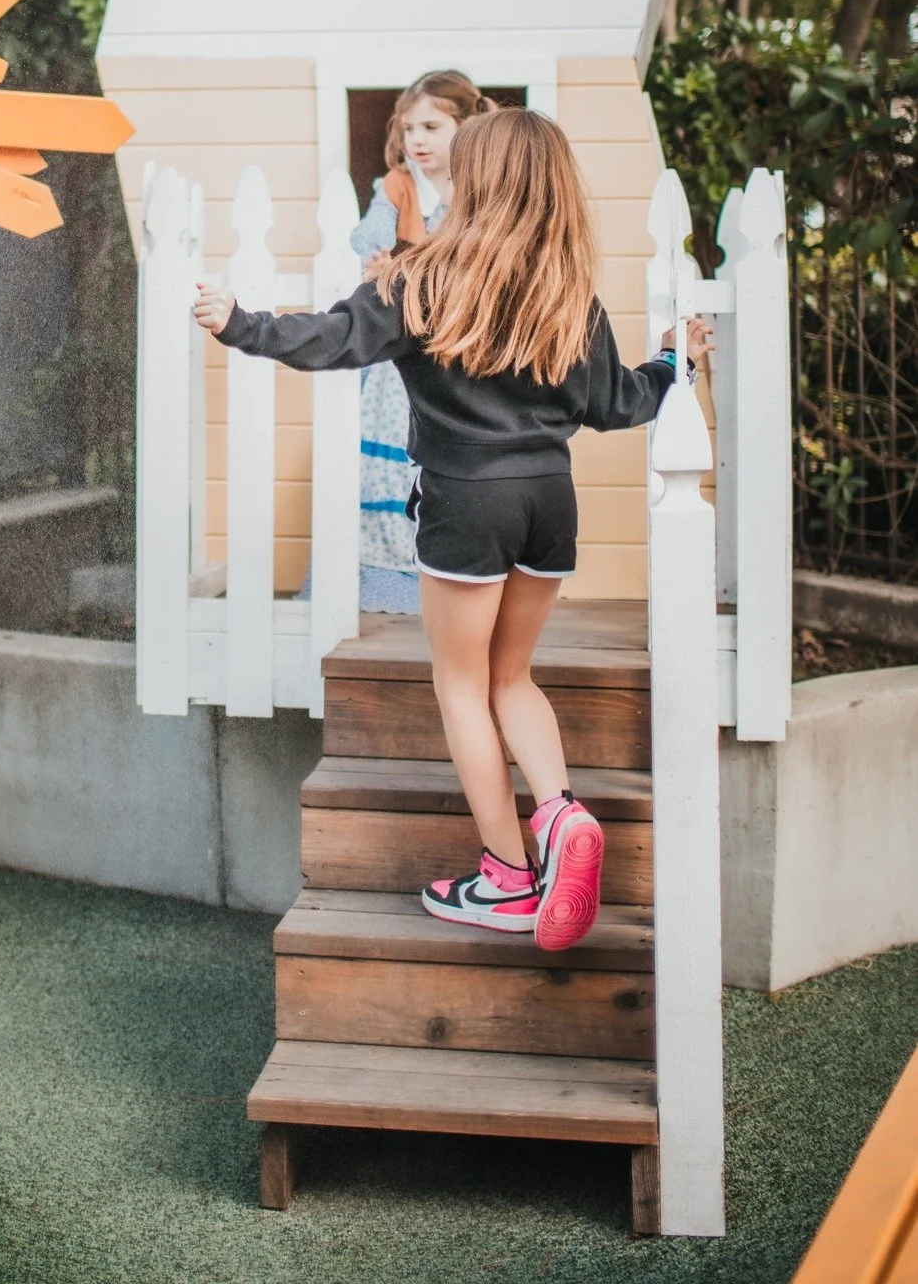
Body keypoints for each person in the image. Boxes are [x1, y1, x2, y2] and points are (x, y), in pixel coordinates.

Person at [195, 107, 710, 951]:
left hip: (467, 502)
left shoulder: (420, 275)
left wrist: (240, 323)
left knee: (461, 685)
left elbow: (330, 340)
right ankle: (558, 813)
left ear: (478, 180)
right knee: (513, 678)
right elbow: (618, 403)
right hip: (550, 500)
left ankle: (507, 878)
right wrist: (674, 361)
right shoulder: (562, 290)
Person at [349, 72, 493, 609]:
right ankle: (385, 577)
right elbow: (368, 232)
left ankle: (446, 572)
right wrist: (379, 252)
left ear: (466, 125)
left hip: (456, 340)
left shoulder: (479, 186)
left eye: (432, 126)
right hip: (402, 349)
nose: (417, 140)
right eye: (409, 128)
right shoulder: (398, 185)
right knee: (389, 444)